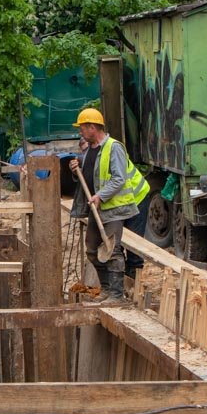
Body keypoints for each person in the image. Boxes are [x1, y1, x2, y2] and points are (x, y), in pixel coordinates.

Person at [68, 107, 148, 302]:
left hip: (114, 208)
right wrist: (76, 170)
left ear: (93, 127)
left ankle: (116, 294)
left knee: (112, 250)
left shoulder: (114, 147)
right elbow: (92, 175)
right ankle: (105, 288)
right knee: (92, 249)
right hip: (97, 208)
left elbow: (119, 178)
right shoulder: (90, 149)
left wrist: (101, 196)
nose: (80, 132)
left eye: (82, 128)